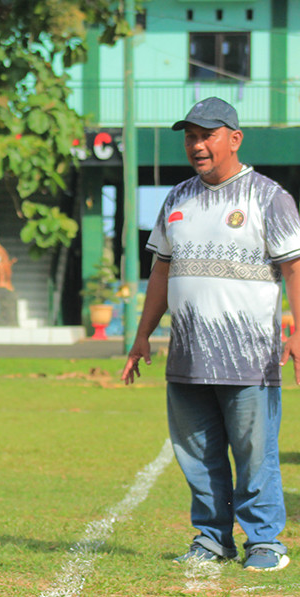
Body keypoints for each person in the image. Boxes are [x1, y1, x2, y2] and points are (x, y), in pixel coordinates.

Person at [122, 97, 300, 572]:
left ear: (234, 139)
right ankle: (212, 538)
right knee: (197, 456)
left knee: (253, 452)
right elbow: (161, 272)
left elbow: (294, 268)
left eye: (207, 135)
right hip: (187, 356)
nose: (197, 145)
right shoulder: (177, 198)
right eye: (190, 136)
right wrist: (142, 335)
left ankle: (264, 542)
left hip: (249, 357)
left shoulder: (268, 196)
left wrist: (299, 330)